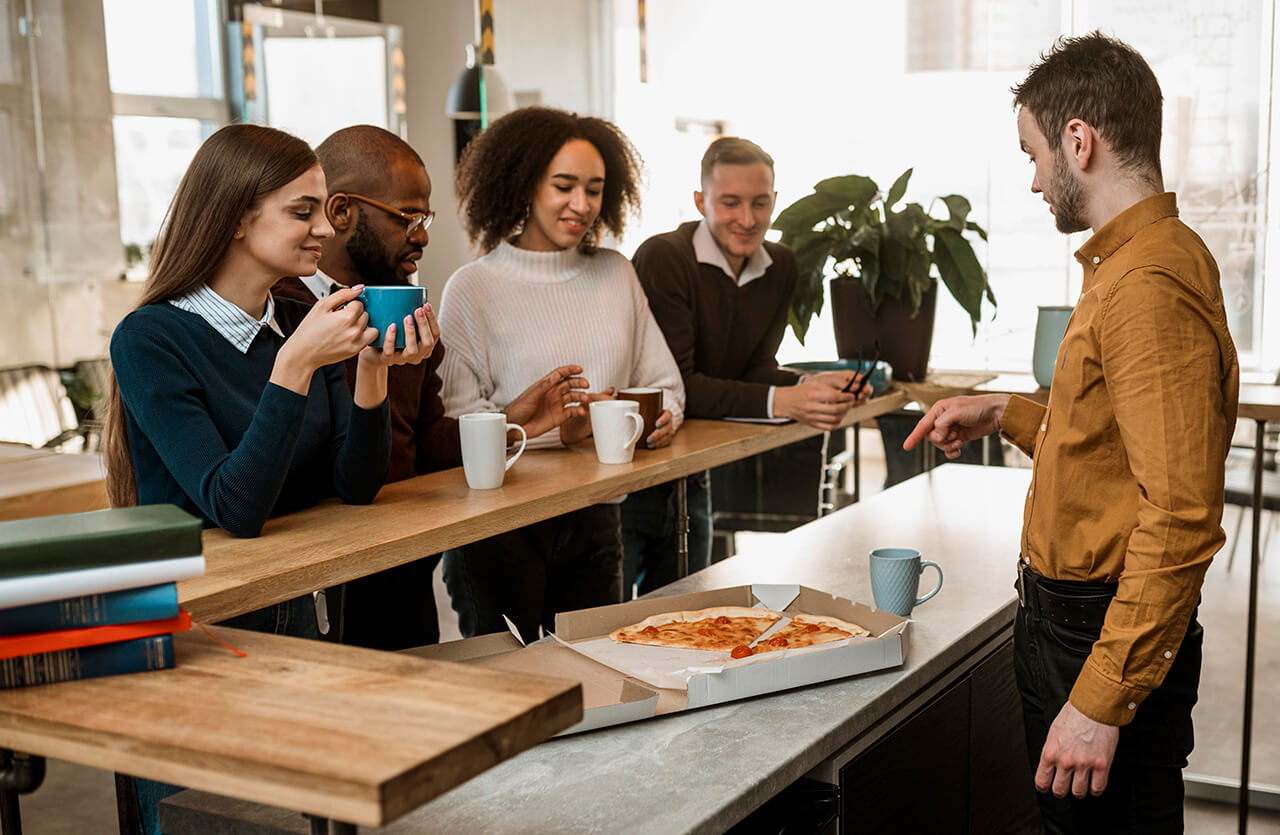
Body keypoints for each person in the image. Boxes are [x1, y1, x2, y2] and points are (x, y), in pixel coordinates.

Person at [904, 33, 1238, 832]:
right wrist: (1004, 413)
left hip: (1097, 630)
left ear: (1079, 141)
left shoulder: (1147, 285)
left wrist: (1097, 699)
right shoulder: (1137, 261)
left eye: (1033, 154)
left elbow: (1181, 512)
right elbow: (1115, 444)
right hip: (1080, 621)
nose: (1032, 179)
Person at [103, 124, 434, 835]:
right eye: (301, 210)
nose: (323, 229)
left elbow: (355, 483)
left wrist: (372, 365)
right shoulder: (151, 338)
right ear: (234, 218)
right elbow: (235, 505)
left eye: (322, 208)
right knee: (208, 821)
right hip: (195, 639)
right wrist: (296, 367)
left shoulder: (296, 315)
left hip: (292, 617)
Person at [272, 125, 585, 650]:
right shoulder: (281, 312)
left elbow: (419, 442)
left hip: (403, 564)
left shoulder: (403, 308)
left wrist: (514, 422)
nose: (421, 235)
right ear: (342, 211)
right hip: (322, 582)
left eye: (426, 219)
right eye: (407, 217)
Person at [438, 106, 685, 643]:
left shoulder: (616, 273)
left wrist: (658, 421)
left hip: (597, 519)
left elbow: (666, 387)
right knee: (511, 690)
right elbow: (456, 425)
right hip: (497, 528)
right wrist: (543, 424)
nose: (582, 205)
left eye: (595, 189)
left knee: (596, 686)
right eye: (564, 185)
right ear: (524, 183)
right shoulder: (470, 289)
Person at [623, 137, 870, 595]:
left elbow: (754, 369)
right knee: (613, 623)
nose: (748, 219)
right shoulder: (664, 258)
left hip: (694, 471)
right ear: (701, 201)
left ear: (775, 200)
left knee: (685, 614)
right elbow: (679, 388)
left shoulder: (781, 265)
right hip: (634, 472)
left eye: (760, 203)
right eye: (730, 203)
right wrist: (788, 399)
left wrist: (815, 385)